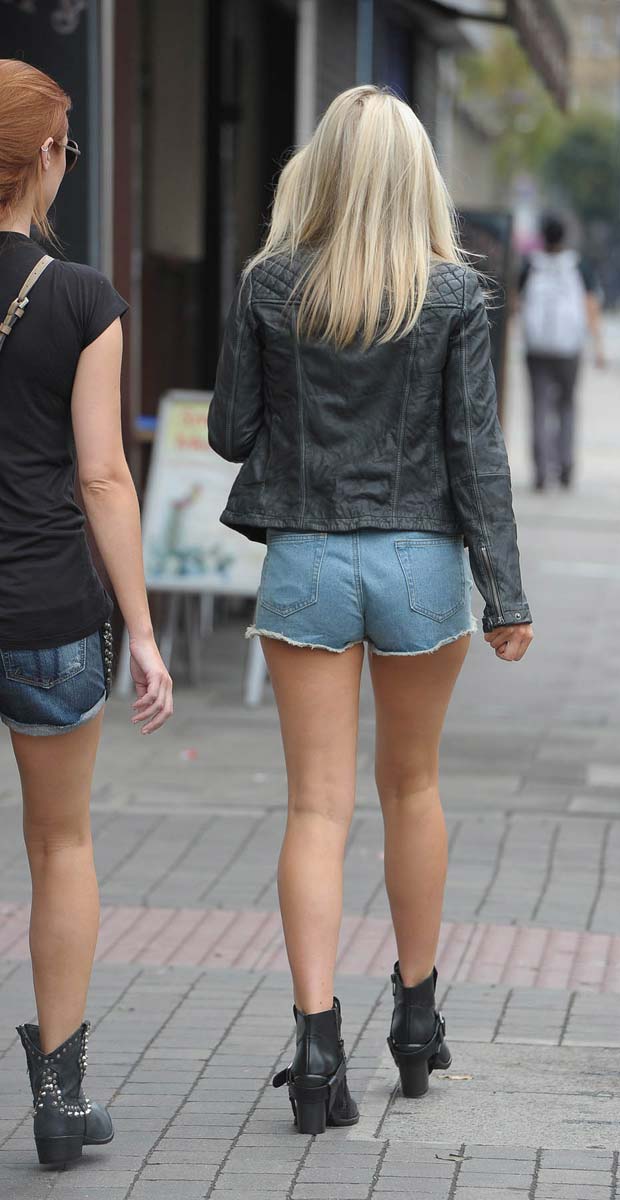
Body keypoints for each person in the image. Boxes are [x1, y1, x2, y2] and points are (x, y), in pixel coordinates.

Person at [209, 84, 532, 1137]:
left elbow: (229, 431)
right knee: (413, 787)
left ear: (320, 172)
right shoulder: (454, 294)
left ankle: (315, 1045)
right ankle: (417, 1015)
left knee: (316, 808)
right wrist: (505, 595)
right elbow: (475, 450)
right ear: (417, 179)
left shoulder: (270, 283)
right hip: (420, 562)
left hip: (306, 557)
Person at [0, 59, 173, 1167]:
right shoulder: (81, 298)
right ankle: (60, 1102)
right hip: (48, 606)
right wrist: (144, 632)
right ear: (46, 158)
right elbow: (104, 477)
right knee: (60, 844)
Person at [518, 214, 605, 491]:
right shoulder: (578, 265)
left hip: (537, 347)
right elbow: (590, 305)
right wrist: (598, 345)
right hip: (569, 348)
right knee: (566, 406)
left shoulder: (531, 265)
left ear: (542, 236)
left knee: (539, 407)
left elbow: (516, 303)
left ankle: (541, 471)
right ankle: (565, 467)